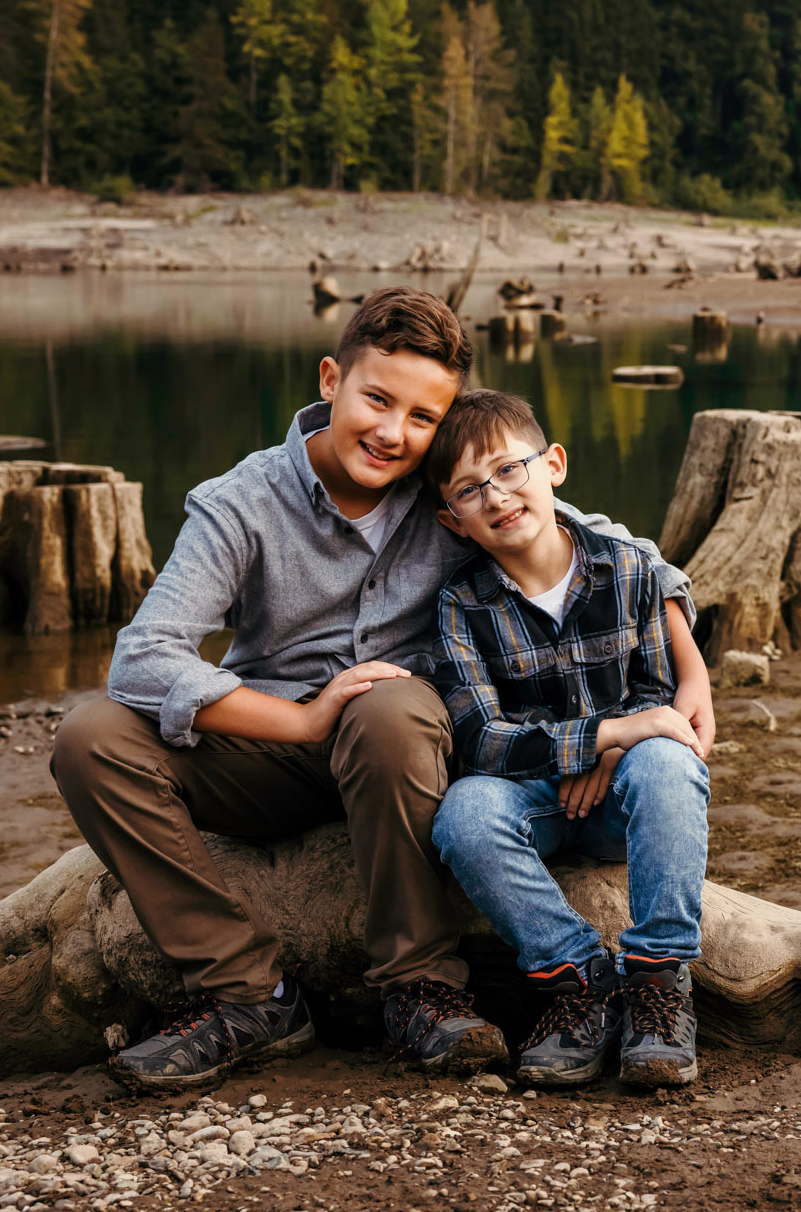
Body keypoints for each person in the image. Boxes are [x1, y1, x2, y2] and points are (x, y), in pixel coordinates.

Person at [49, 288, 713, 1092]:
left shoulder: (446, 492)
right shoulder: (241, 504)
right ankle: (246, 993)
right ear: (332, 379)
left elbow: (602, 537)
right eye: (376, 400)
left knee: (391, 705)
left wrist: (687, 658)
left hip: (405, 754)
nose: (394, 433)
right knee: (90, 738)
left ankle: (420, 985)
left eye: (422, 418)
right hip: (275, 751)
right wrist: (298, 723)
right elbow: (144, 658)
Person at [426, 388, 710, 1089]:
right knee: (465, 812)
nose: (495, 496)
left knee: (669, 762)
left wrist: (613, 751)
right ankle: (583, 983)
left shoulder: (633, 571)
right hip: (534, 804)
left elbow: (655, 691)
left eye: (508, 470)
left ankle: (658, 982)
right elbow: (484, 739)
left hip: (621, 796)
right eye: (469, 489)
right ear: (451, 519)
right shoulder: (459, 606)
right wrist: (596, 737)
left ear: (552, 464)